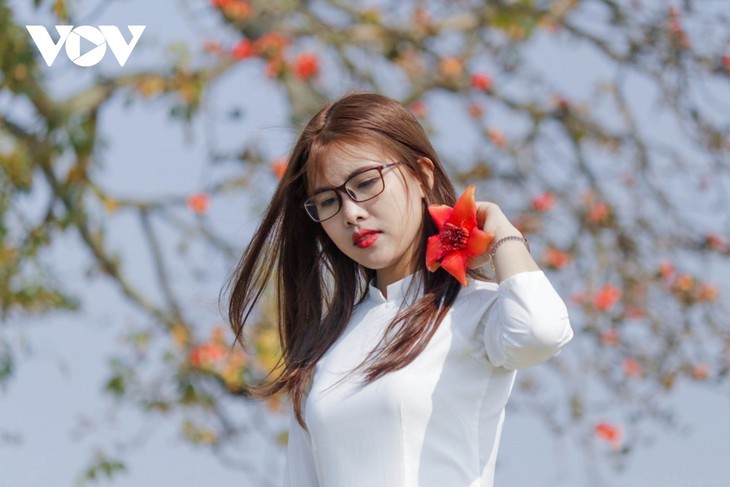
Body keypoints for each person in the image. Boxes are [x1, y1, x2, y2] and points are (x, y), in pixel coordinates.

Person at [222, 91, 574, 486]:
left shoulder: (473, 311)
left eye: (365, 182)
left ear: (423, 174)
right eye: (328, 202)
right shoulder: (324, 347)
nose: (351, 213)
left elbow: (541, 332)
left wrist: (500, 230)